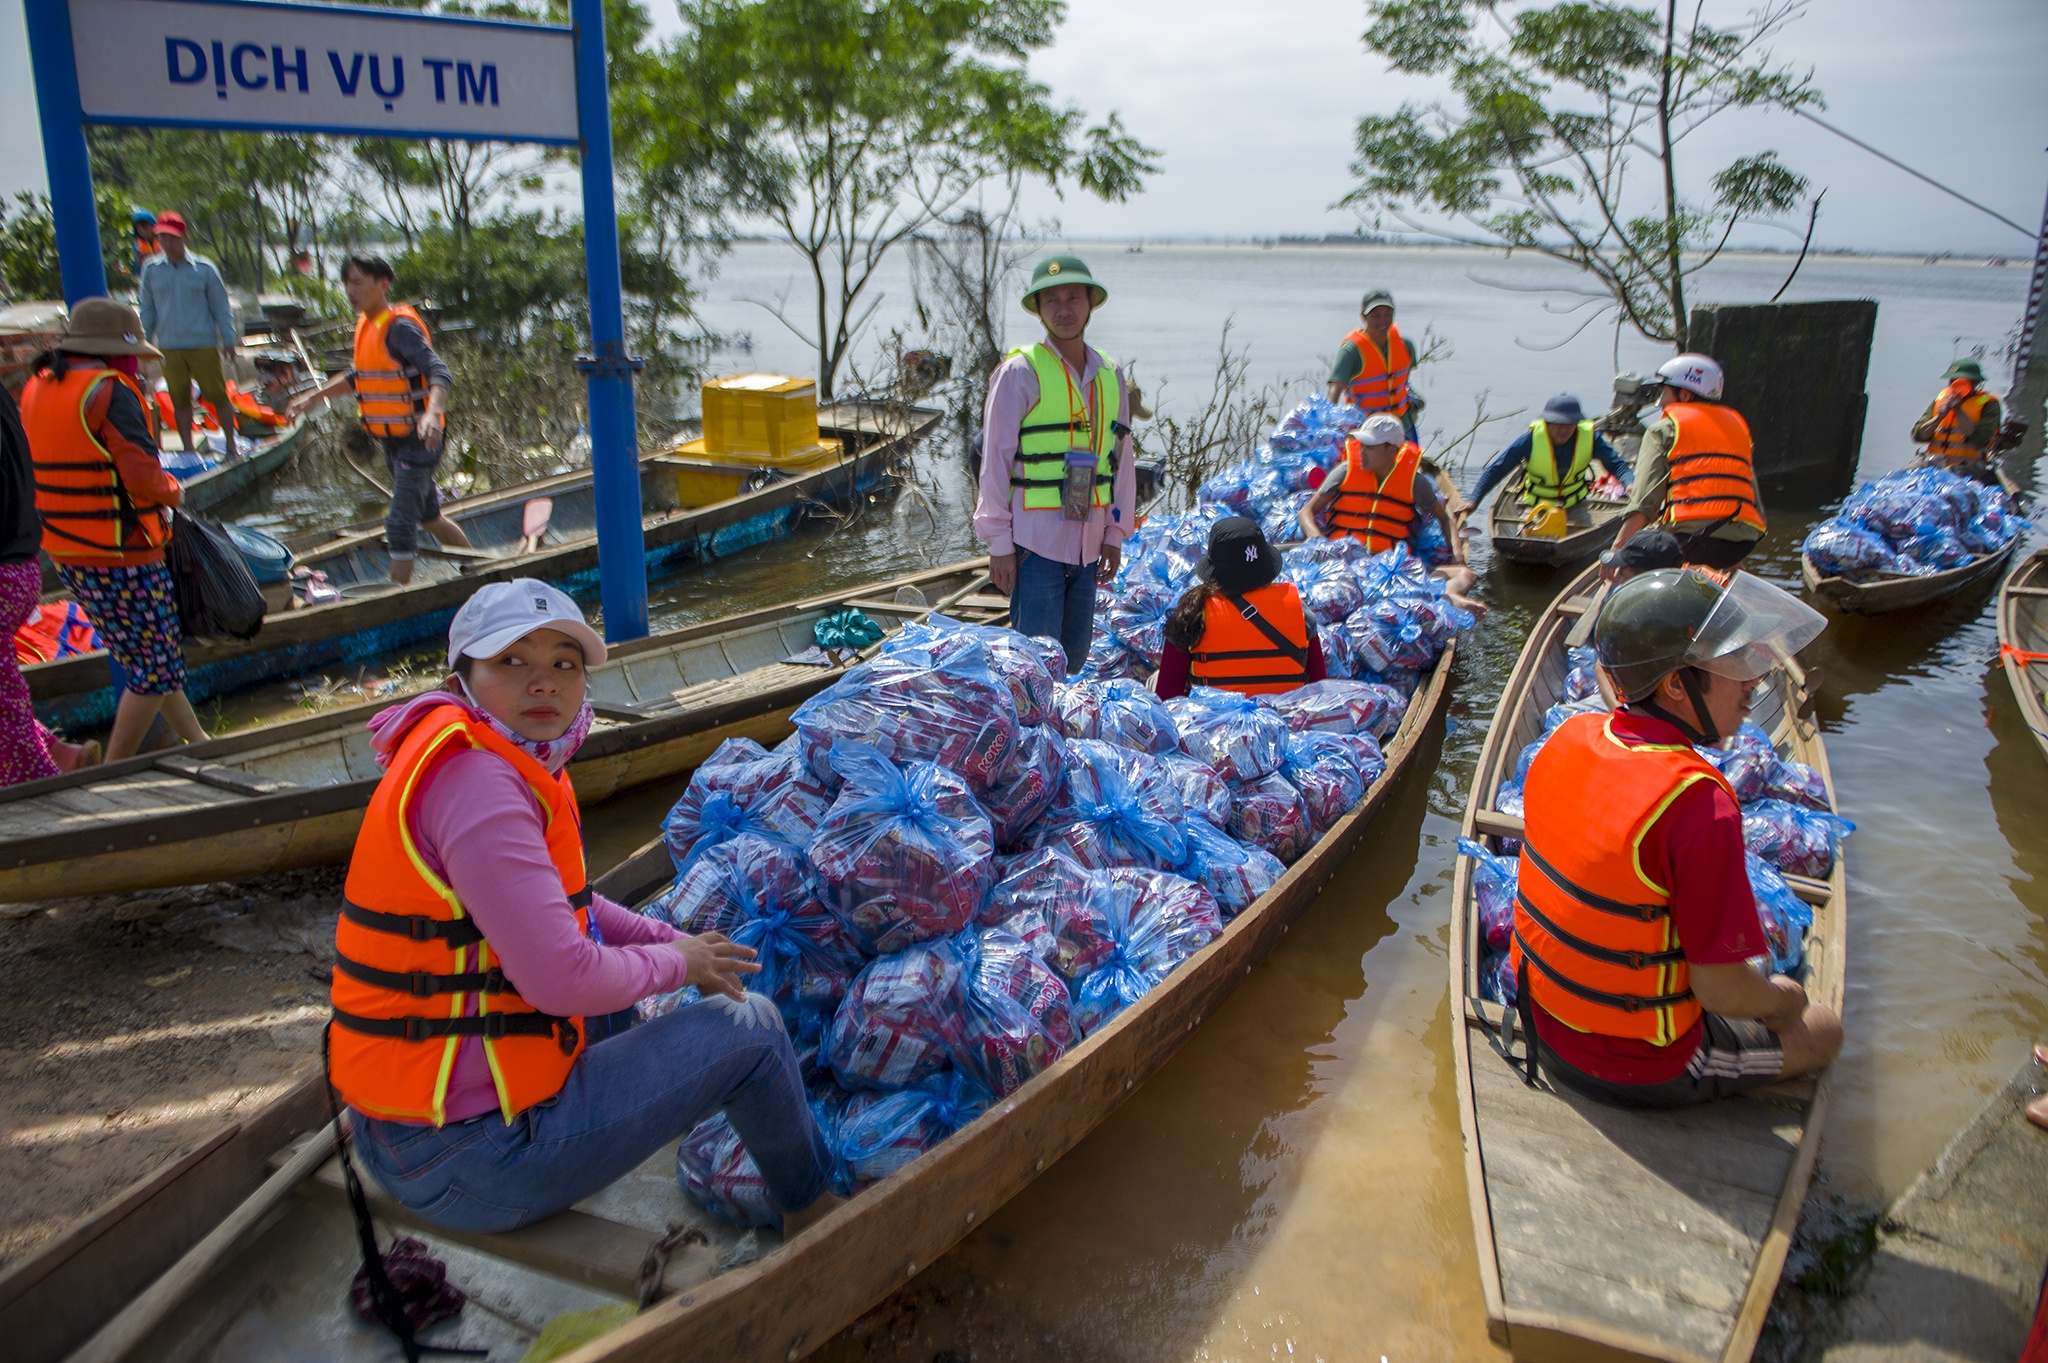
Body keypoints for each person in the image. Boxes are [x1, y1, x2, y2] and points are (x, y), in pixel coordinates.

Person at [331, 579, 843, 1239]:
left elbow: (571, 904)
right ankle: (814, 1214)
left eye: (563, 663)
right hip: (469, 1160)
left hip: (406, 1131)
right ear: (459, 680)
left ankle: (627, 1110)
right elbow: (558, 977)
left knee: (629, 989)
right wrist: (675, 963)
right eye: (512, 661)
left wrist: (670, 940)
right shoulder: (479, 784)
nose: (543, 682)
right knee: (755, 1030)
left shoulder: (490, 756)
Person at [1510, 567, 1843, 1108]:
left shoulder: (1568, 737)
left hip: (1540, 1022)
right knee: (1823, 1026)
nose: (1754, 681)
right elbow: (1721, 991)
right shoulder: (1701, 803)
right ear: (1674, 685)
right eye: (1735, 663)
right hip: (1641, 1064)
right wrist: (1785, 1003)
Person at [20, 299, 208, 761]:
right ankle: (112, 770)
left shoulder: (39, 386)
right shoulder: (110, 391)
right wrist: (176, 493)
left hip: (67, 553)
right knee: (157, 669)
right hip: (123, 554)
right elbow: (144, 478)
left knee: (143, 659)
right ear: (114, 352)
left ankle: (202, 743)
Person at [973, 254, 1138, 674]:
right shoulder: (1019, 372)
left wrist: (1116, 532)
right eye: (1052, 301)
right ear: (1039, 309)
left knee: (1076, 660)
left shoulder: (1110, 374)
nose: (1064, 310)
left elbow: (1121, 461)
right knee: (1032, 668)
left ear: (1090, 304)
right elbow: (995, 461)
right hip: (1035, 547)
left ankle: (1061, 737)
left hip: (1090, 543)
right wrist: (999, 546)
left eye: (1073, 298)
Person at [289, 253, 472, 584]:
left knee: (400, 521)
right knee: (430, 517)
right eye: (346, 282)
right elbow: (358, 376)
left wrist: (432, 413)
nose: (350, 290)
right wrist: (310, 398)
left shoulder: (398, 328)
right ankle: (476, 566)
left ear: (382, 284)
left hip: (419, 438)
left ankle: (396, 596)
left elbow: (439, 371)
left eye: (358, 282)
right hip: (393, 440)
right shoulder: (367, 325)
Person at [1298, 412, 1484, 614]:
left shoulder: (1416, 483)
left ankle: (1450, 596)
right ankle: (1435, 599)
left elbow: (1445, 519)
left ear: (1390, 450)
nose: (1362, 452)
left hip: (1392, 571)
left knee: (1466, 575)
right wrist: (1316, 537)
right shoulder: (1344, 472)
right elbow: (1306, 511)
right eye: (1361, 445)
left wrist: (1457, 555)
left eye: (1370, 447)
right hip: (1345, 564)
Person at [1606, 353, 1764, 573]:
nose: (1661, 401)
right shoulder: (1738, 427)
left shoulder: (1663, 430)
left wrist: (1617, 550)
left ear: (1685, 394)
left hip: (1689, 543)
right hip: (1742, 542)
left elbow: (1644, 503)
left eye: (1665, 392)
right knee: (1721, 557)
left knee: (1640, 562)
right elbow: (1751, 493)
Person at [1156, 517, 1327, 701]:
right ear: (1265, 566)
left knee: (1155, 677)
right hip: (1282, 721)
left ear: (1214, 571)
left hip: (1217, 724)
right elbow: (1319, 687)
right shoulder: (1300, 612)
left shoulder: (1192, 612)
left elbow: (1167, 695)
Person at [136, 212, 239, 464]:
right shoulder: (151, 270)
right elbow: (147, 309)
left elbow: (220, 307)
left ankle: (230, 446)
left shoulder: (204, 269)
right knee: (179, 398)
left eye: (171, 237)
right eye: (162, 237)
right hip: (169, 347)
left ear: (183, 237)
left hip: (202, 344)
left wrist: (228, 339)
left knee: (217, 394)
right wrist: (143, 344)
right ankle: (188, 451)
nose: (167, 243)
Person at [1467, 393, 1634, 519]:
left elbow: (1617, 465)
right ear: (1547, 422)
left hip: (1574, 504)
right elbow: (1497, 470)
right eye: (1558, 423)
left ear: (1577, 423)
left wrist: (1629, 484)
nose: (1564, 429)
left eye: (1569, 424)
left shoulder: (1591, 439)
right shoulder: (1530, 441)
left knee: (1577, 536)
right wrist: (1473, 501)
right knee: (1528, 541)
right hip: (1535, 504)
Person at [1325, 288, 1423, 440]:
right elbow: (1334, 391)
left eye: (1387, 314)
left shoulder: (1406, 346)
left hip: (1402, 425)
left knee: (1410, 464)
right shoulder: (1351, 352)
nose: (1382, 321)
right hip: (1366, 430)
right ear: (1363, 317)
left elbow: (1402, 382)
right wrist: (1326, 426)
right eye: (1376, 315)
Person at [1911, 358, 2003, 479]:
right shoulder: (1941, 399)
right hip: (1934, 464)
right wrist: (1938, 418)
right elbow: (1918, 436)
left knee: (1950, 472)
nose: (1956, 385)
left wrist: (1958, 410)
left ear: (1975, 382)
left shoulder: (1989, 404)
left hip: (1968, 468)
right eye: (1953, 380)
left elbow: (1980, 438)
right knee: (1907, 471)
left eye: (1962, 381)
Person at [130, 207, 162, 284]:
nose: (143, 231)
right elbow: (139, 270)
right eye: (139, 229)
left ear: (153, 225)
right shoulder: (137, 246)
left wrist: (151, 256)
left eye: (145, 226)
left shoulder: (163, 239)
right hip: (149, 281)